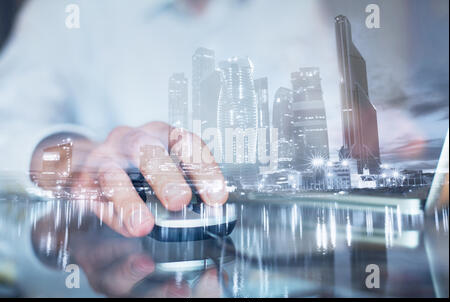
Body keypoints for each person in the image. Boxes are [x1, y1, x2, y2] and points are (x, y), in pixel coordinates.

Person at [0, 0, 337, 236]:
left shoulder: (295, 7)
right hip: (117, 263)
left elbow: (334, 127)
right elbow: (7, 130)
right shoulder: (64, 9)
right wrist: (85, 161)